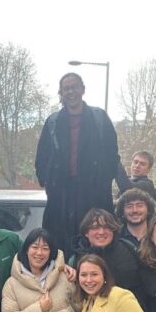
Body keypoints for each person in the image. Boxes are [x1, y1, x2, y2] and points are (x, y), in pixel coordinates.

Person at [35, 72, 120, 258]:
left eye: (74, 87)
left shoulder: (99, 118)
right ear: (61, 92)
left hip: (93, 191)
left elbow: (112, 154)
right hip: (61, 194)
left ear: (82, 89)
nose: (71, 91)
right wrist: (47, 182)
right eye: (66, 88)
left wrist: (105, 179)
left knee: (94, 240)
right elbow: (42, 155)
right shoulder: (53, 121)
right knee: (58, 243)